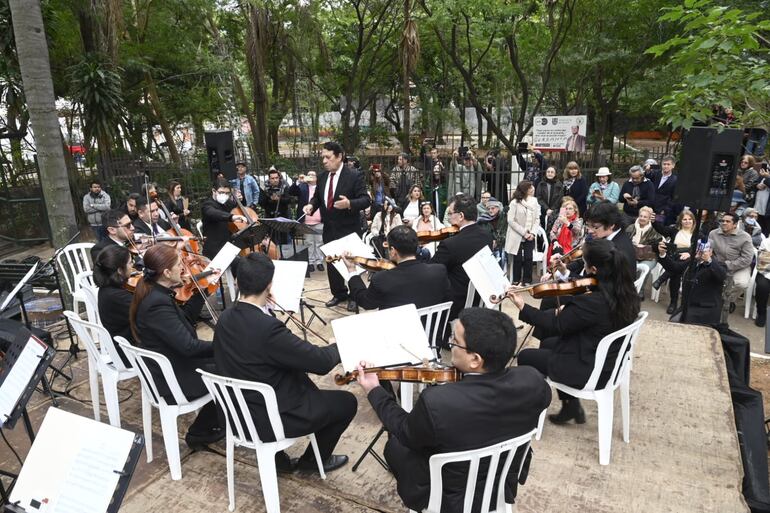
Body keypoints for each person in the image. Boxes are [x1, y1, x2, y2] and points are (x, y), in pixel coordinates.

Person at [355, 307, 552, 512]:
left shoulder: (437, 402)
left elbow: (406, 431)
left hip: (447, 498)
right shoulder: (533, 381)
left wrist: (375, 390)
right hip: (499, 485)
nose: (450, 343)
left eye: (454, 341)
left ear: (475, 359)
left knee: (395, 445)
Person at [213, 252, 355, 473]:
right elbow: (320, 362)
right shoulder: (268, 329)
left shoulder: (225, 317)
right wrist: (341, 344)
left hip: (236, 411)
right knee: (346, 402)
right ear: (269, 285)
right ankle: (311, 464)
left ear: (238, 282)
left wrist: (266, 309)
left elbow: (264, 348)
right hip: (267, 417)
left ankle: (280, 462)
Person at [515, 238, 640, 425]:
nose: (584, 268)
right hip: (609, 359)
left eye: (586, 264)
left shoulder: (592, 303)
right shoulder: (625, 291)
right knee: (549, 343)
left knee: (526, 356)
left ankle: (528, 412)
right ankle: (570, 407)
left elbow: (554, 324)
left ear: (594, 270)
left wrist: (522, 306)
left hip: (590, 369)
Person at [128, 244, 223, 449]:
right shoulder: (156, 304)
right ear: (167, 272)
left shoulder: (157, 291)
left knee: (226, 360)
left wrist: (202, 292)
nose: (184, 269)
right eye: (180, 265)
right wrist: (223, 345)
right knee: (232, 367)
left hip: (174, 363)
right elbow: (189, 347)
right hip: (173, 378)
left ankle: (216, 420)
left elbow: (185, 319)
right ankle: (201, 431)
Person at [302, 141, 371, 313]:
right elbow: (318, 198)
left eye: (328, 157)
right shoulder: (323, 177)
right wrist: (311, 205)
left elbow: (365, 200)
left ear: (339, 156)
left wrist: (349, 204)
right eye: (323, 157)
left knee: (350, 263)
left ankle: (355, 296)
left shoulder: (354, 175)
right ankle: (339, 293)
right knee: (332, 264)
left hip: (348, 229)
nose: (324, 161)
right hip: (329, 229)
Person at [346, 225, 451, 310]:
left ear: (393, 251)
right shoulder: (439, 270)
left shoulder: (381, 279)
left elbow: (366, 303)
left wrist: (352, 271)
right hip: (432, 332)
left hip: (397, 335)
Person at [430, 195, 493, 324]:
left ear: (461, 216)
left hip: (457, 304)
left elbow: (432, 271)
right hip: (480, 298)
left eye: (450, 213)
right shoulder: (487, 236)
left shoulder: (450, 244)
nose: (449, 217)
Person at [663, 240, 726, 327]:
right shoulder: (693, 262)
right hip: (688, 306)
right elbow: (675, 267)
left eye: (702, 250)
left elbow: (721, 275)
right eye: (697, 249)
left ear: (711, 251)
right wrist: (662, 255)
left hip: (705, 310)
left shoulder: (718, 264)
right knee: (673, 323)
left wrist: (709, 260)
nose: (699, 252)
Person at [709, 212, 754, 324]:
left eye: (728, 221)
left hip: (739, 266)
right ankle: (717, 300)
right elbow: (709, 251)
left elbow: (747, 259)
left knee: (742, 283)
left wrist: (729, 265)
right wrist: (714, 262)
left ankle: (729, 300)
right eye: (722, 221)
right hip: (718, 264)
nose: (724, 223)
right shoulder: (713, 233)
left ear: (735, 224)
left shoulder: (745, 237)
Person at [93, 245, 134, 366]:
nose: (133, 266)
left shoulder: (107, 288)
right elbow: (148, 312)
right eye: (130, 263)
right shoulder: (117, 297)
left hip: (124, 343)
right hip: (129, 353)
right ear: (120, 270)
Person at [652, 210, 698, 315]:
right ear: (680, 221)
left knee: (677, 268)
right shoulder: (674, 230)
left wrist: (690, 253)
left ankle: (662, 280)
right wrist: (654, 221)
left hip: (689, 259)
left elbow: (700, 247)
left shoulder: (697, 233)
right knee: (676, 270)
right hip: (674, 256)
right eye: (684, 219)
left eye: (690, 219)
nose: (687, 221)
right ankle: (673, 302)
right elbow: (661, 229)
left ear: (693, 221)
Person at [201, 179, 248, 260]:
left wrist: (239, 200)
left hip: (228, 245)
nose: (224, 195)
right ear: (214, 191)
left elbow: (237, 208)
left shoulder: (227, 202)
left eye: (227, 193)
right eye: (221, 192)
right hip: (214, 248)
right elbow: (213, 213)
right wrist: (232, 217)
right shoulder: (207, 205)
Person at [505, 181, 540, 286]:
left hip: (530, 234)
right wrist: (524, 233)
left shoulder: (534, 201)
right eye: (530, 187)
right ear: (524, 189)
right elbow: (511, 220)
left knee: (529, 257)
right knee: (518, 258)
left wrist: (533, 233)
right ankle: (516, 280)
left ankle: (527, 280)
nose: (532, 188)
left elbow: (537, 218)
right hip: (517, 234)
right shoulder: (514, 202)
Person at [291, 170, 324, 273]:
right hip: (307, 220)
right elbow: (291, 192)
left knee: (319, 242)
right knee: (309, 242)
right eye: (308, 174)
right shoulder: (302, 187)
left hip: (319, 220)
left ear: (316, 178)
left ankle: (319, 262)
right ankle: (310, 262)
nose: (310, 176)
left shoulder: (321, 187)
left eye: (312, 175)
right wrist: (298, 182)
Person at [626, 206, 663, 274]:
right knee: (629, 267)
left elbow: (658, 247)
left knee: (642, 269)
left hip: (649, 258)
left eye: (645, 217)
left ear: (649, 218)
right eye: (641, 216)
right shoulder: (630, 228)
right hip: (633, 256)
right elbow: (624, 242)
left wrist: (645, 247)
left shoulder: (655, 229)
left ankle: (641, 284)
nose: (642, 218)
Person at [545, 198, 583, 265]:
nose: (567, 211)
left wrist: (567, 223)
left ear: (575, 211)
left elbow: (577, 231)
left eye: (570, 209)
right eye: (566, 209)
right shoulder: (560, 219)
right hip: (558, 244)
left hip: (572, 248)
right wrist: (555, 241)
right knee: (557, 249)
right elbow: (552, 232)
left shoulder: (578, 221)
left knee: (559, 252)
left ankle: (559, 271)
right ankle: (556, 271)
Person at [478, 198, 507, 267]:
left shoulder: (503, 218)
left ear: (498, 208)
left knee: (502, 256)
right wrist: (490, 241)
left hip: (501, 246)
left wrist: (497, 241)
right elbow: (482, 234)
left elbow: (505, 233)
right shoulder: (483, 219)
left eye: (493, 208)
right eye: (488, 209)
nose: (490, 210)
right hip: (487, 247)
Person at [650, 155, 679, 225]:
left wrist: (665, 210)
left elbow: (674, 198)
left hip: (662, 211)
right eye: (664, 164)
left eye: (668, 164)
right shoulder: (656, 174)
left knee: (658, 227)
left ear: (673, 166)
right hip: (650, 208)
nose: (666, 166)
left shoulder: (675, 180)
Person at [753, 236, 770, 327]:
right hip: (765, 272)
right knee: (762, 286)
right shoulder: (767, 242)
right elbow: (763, 262)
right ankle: (761, 313)